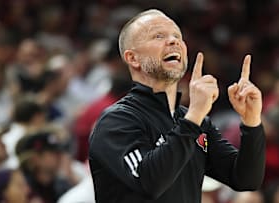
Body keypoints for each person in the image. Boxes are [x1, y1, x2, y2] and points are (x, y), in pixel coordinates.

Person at [89, 9, 265, 203]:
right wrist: (194, 115)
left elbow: (245, 179)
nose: (173, 41)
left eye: (177, 36)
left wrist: (251, 121)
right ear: (133, 58)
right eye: (158, 36)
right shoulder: (117, 121)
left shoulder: (195, 122)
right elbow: (149, 182)